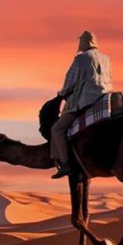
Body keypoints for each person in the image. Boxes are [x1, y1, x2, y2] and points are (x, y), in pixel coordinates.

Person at [50, 31, 112, 178]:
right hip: (104, 99)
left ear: (83, 43)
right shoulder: (106, 59)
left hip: (86, 100)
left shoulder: (81, 59)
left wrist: (62, 93)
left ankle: (65, 163)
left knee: (57, 129)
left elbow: (70, 81)